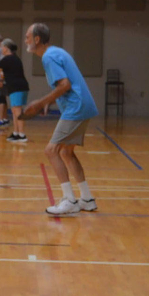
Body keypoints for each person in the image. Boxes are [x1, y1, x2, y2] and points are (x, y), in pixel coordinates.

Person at [18, 22, 99, 216]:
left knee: (51, 150)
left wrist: (39, 103)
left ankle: (70, 200)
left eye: (28, 37)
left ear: (37, 39)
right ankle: (86, 199)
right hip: (83, 106)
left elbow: (65, 85)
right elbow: (66, 87)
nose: (26, 40)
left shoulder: (49, 57)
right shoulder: (56, 52)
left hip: (76, 108)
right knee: (66, 153)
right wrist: (49, 103)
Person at [0, 37, 29, 143]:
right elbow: (2, 72)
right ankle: (16, 133)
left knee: (17, 111)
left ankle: (22, 135)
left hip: (17, 87)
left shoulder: (7, 59)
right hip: (17, 87)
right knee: (15, 110)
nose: (1, 49)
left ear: (6, 48)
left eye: (2, 47)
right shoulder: (14, 58)